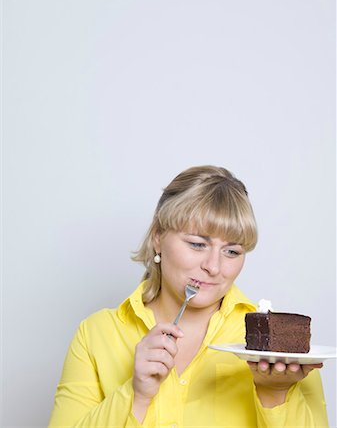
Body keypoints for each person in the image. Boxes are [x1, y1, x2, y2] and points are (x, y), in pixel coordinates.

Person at [48, 165, 328, 427]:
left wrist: (275, 394)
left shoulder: (281, 353)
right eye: (197, 244)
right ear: (158, 236)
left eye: (232, 251)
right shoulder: (96, 334)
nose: (213, 266)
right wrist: (136, 395)